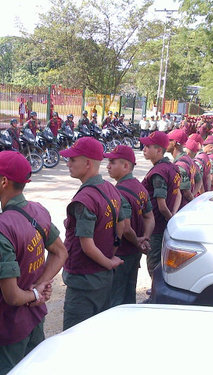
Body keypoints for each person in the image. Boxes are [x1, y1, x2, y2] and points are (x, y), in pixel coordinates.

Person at [0, 151, 68, 375]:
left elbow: (13, 296)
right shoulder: (37, 211)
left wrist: (35, 293)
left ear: (4, 182)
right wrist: (39, 287)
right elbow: (60, 252)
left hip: (4, 329)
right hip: (34, 319)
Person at [59, 137, 128, 330]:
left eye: (73, 159)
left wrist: (109, 262)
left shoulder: (85, 199)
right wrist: (111, 255)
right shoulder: (110, 189)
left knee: (74, 337)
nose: (68, 163)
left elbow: (86, 245)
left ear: (88, 163)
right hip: (103, 279)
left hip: (83, 280)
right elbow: (121, 224)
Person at [105, 145, 155, 306]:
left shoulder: (118, 192)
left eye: (112, 162)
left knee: (115, 299)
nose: (107, 166)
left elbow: (125, 227)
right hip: (134, 253)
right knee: (129, 294)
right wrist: (145, 238)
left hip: (122, 253)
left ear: (126, 166)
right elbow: (149, 217)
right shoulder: (140, 187)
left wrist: (138, 242)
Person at [140, 131, 181, 277]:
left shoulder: (159, 172)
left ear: (158, 150)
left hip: (157, 227)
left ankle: (155, 297)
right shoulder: (172, 167)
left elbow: (162, 205)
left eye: (148, 146)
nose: (144, 149)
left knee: (154, 266)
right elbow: (178, 194)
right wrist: (173, 216)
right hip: (164, 224)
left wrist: (171, 220)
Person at [167, 129, 201, 208]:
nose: (165, 143)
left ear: (174, 143)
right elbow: (199, 181)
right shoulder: (188, 158)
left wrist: (193, 204)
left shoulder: (180, 165)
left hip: (181, 208)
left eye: (168, 140)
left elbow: (186, 193)